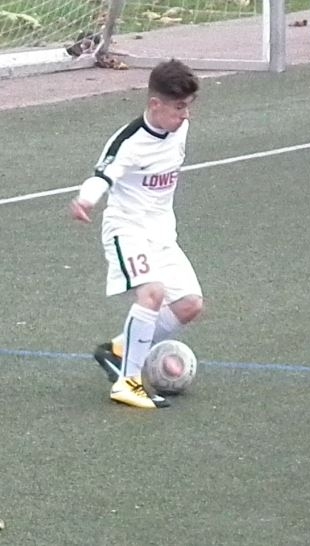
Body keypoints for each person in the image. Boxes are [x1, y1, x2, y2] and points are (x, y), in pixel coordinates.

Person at [70, 58, 204, 409]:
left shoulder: (179, 128)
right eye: (179, 108)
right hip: (126, 229)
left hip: (163, 234)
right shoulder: (128, 143)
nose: (186, 116)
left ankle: (118, 349)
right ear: (155, 104)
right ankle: (127, 383)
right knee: (152, 292)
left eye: (188, 106)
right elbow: (102, 174)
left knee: (189, 304)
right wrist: (85, 200)